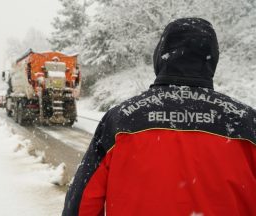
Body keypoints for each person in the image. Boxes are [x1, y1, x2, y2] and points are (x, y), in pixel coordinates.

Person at [62, 18, 256, 216]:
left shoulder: (121, 119)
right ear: (212, 59)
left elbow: (80, 205)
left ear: (160, 56)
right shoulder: (247, 123)